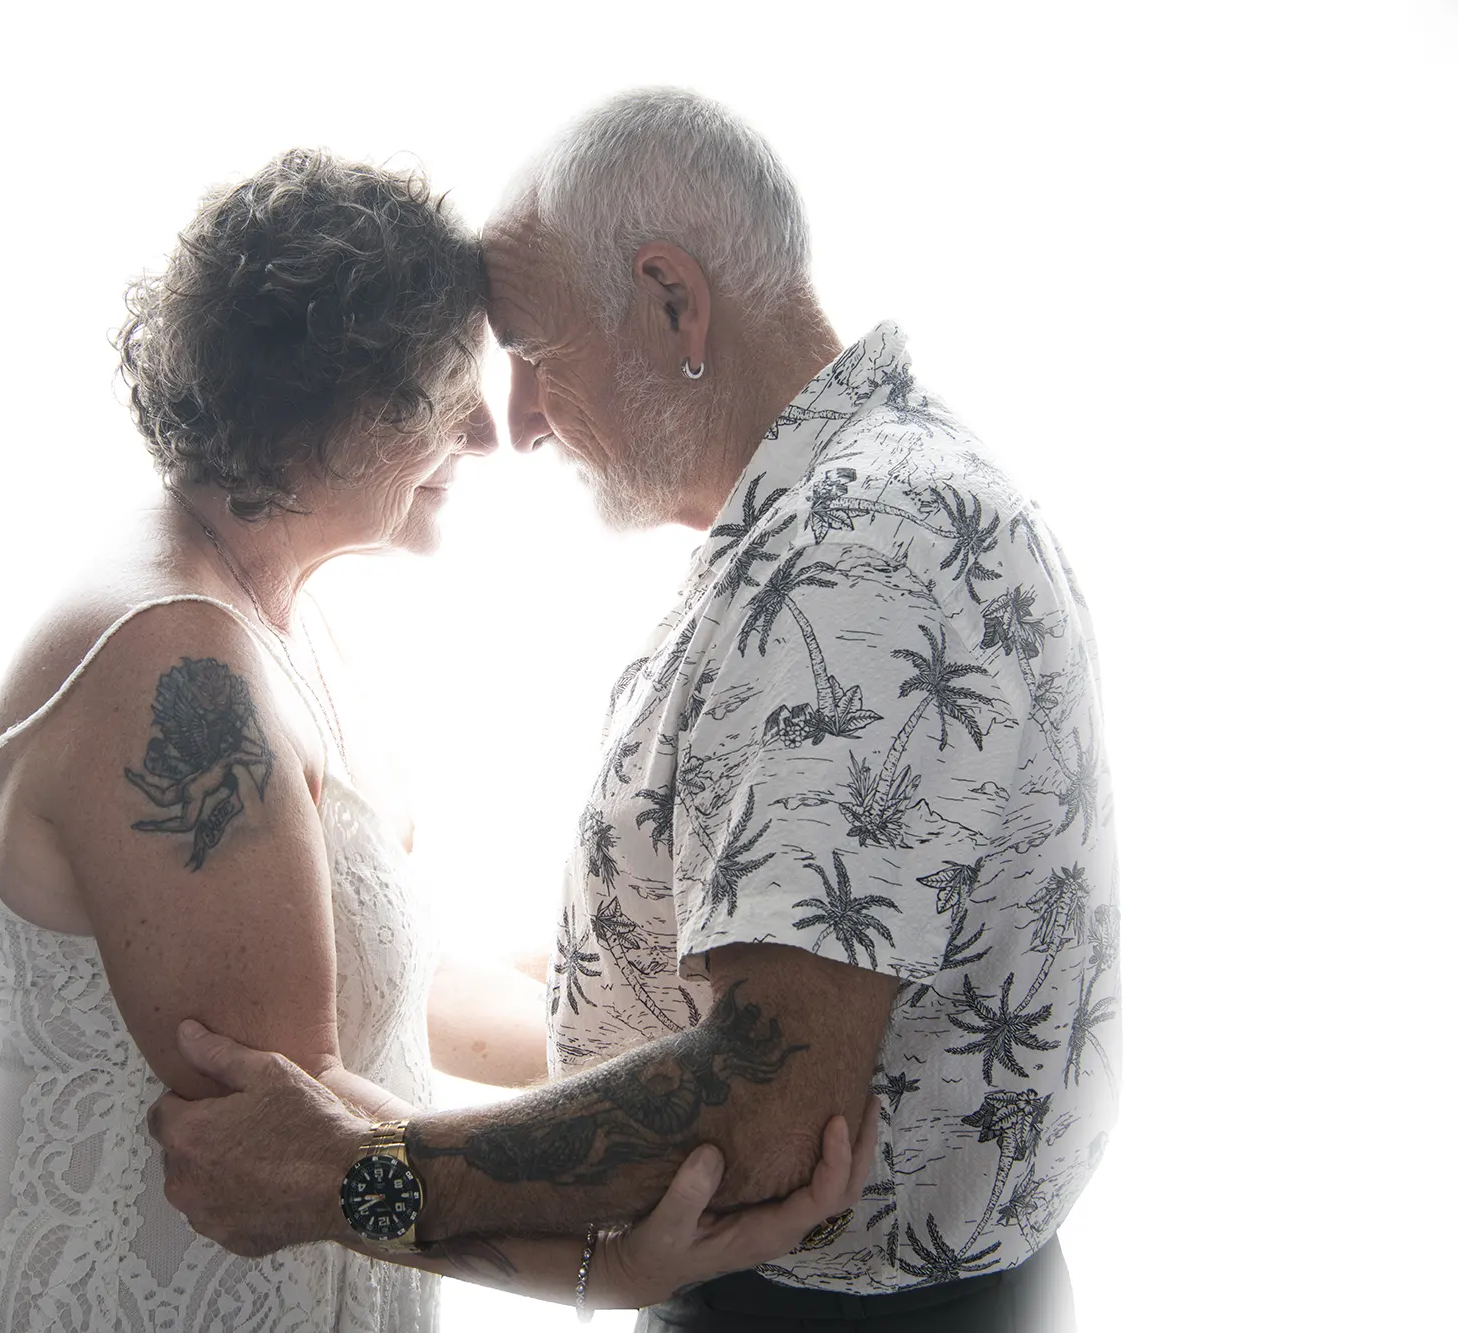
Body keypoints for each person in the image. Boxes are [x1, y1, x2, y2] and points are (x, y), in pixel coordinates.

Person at [150, 89, 1120, 1330]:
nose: (521, 422)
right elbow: (694, 971)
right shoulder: (837, 510)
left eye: (537, 359)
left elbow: (769, 1114)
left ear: (673, 301)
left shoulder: (863, 550)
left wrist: (354, 1180)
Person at [0, 146, 871, 1333]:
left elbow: (394, 984)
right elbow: (282, 1146)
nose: (483, 430)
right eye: (443, 387)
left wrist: (688, 1058)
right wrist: (604, 1267)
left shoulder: (274, 615)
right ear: (334, 410)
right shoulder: (176, 674)